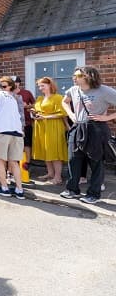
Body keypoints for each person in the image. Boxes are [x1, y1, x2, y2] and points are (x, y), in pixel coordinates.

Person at [60, 66, 116, 204]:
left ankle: (94, 194)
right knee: (73, 159)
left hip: (96, 128)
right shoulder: (73, 90)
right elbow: (64, 101)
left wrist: (107, 118)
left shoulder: (104, 90)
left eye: (77, 75)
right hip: (77, 127)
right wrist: (71, 115)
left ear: (88, 76)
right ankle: (72, 190)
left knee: (96, 161)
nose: (74, 77)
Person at [31, 77, 68, 184]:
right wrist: (34, 112)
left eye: (43, 85)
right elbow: (39, 111)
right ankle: (50, 173)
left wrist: (46, 117)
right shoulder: (39, 99)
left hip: (53, 127)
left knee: (55, 151)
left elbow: (62, 113)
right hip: (41, 127)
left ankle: (58, 177)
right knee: (46, 150)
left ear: (50, 85)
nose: (40, 88)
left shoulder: (58, 97)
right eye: (39, 86)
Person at [13, 76, 35, 165]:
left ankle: (27, 163)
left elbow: (35, 104)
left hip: (26, 122)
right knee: (15, 144)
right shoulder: (8, 94)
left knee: (27, 143)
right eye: (12, 82)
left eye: (16, 82)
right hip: (13, 123)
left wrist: (27, 106)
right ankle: (16, 163)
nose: (14, 84)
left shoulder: (26, 93)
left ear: (19, 83)